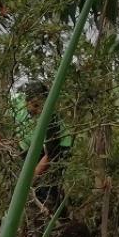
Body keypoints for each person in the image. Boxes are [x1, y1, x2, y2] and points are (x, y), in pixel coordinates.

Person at [22, 80, 69, 209]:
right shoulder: (22, 112)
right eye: (33, 104)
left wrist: (29, 180)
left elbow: (51, 154)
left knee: (47, 191)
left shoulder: (50, 118)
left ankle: (56, 218)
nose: (36, 109)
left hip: (57, 152)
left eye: (39, 105)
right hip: (36, 151)